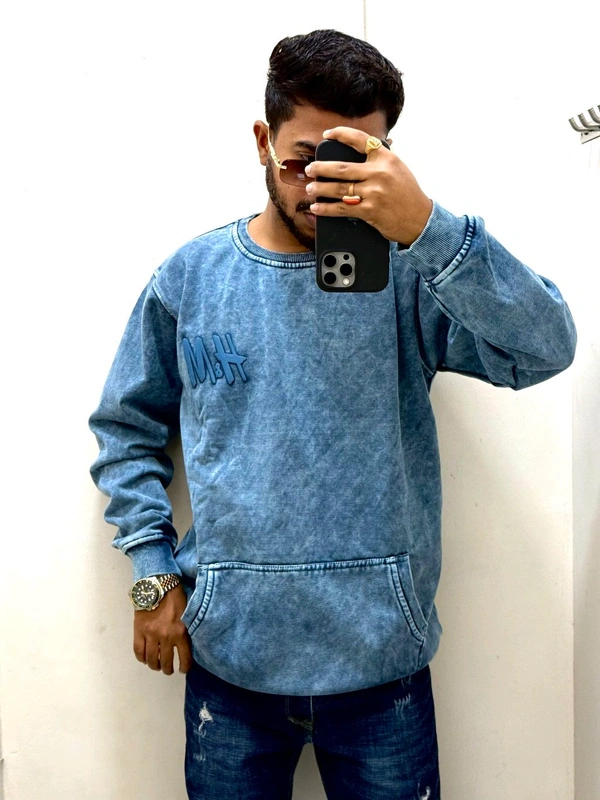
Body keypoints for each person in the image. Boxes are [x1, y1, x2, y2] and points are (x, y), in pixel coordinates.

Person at [89, 29, 576, 800]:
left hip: (382, 669)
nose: (321, 188)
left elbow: (544, 349)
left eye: (349, 162)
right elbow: (126, 429)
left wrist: (427, 227)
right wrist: (152, 574)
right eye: (303, 161)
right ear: (262, 142)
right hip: (231, 667)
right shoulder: (194, 278)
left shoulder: (410, 273)